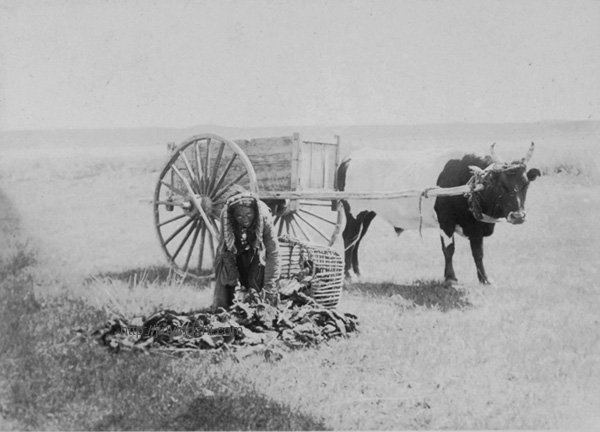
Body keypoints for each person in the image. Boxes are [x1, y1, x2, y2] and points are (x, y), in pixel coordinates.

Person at [212, 191, 281, 311]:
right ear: (233, 216)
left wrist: (270, 286)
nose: (245, 219)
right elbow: (226, 251)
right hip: (232, 249)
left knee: (256, 288)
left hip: (254, 248)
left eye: (249, 214)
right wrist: (234, 281)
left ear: (255, 212)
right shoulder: (226, 216)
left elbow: (273, 253)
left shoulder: (264, 216)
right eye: (239, 216)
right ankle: (222, 307)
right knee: (223, 300)